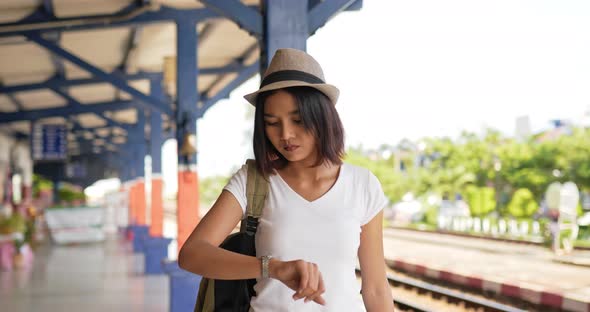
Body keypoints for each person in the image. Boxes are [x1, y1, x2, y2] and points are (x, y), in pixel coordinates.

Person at [179, 48, 394, 311]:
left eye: (298, 120)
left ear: (323, 116)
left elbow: (375, 288)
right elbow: (192, 254)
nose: (286, 135)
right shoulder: (253, 180)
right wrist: (272, 267)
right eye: (272, 122)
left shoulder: (363, 185)